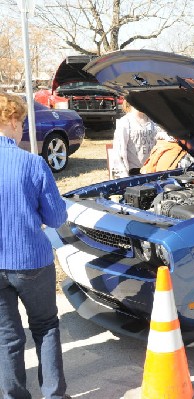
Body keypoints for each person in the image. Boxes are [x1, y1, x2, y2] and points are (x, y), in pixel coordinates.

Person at [0, 92, 69, 399]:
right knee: (45, 326)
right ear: (11, 121)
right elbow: (56, 217)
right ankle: (54, 395)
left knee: (7, 335)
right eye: (22, 121)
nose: (23, 128)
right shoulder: (33, 163)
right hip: (31, 260)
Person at [111, 100, 158, 178]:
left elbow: (161, 138)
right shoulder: (125, 122)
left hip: (152, 169)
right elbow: (119, 152)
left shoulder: (153, 122)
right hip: (134, 172)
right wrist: (124, 176)